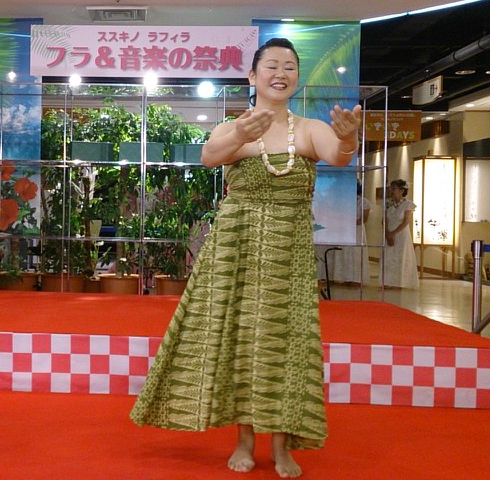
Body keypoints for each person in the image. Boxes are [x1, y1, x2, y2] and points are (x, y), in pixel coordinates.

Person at [130, 37, 362, 478]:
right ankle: (243, 440)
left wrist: (348, 137)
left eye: (289, 66)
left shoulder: (309, 128)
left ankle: (282, 446)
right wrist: (241, 134)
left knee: (286, 342)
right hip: (235, 246)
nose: (281, 73)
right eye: (271, 65)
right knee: (239, 339)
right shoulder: (232, 127)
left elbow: (336, 153)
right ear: (252, 76)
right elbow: (209, 157)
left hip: (288, 253)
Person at [331, 182, 372, 285]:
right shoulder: (343, 201)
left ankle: (357, 279)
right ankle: (345, 277)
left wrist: (348, 222)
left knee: (356, 252)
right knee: (344, 251)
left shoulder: (364, 202)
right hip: (344, 230)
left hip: (357, 230)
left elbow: (364, 219)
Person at [381, 179, 419, 289]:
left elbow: (406, 221)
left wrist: (393, 233)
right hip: (388, 232)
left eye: (394, 188)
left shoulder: (408, 204)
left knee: (400, 257)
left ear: (402, 190)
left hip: (401, 233)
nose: (391, 191)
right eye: (390, 188)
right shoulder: (388, 203)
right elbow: (384, 219)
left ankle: (399, 283)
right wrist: (387, 233)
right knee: (388, 256)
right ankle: (387, 281)